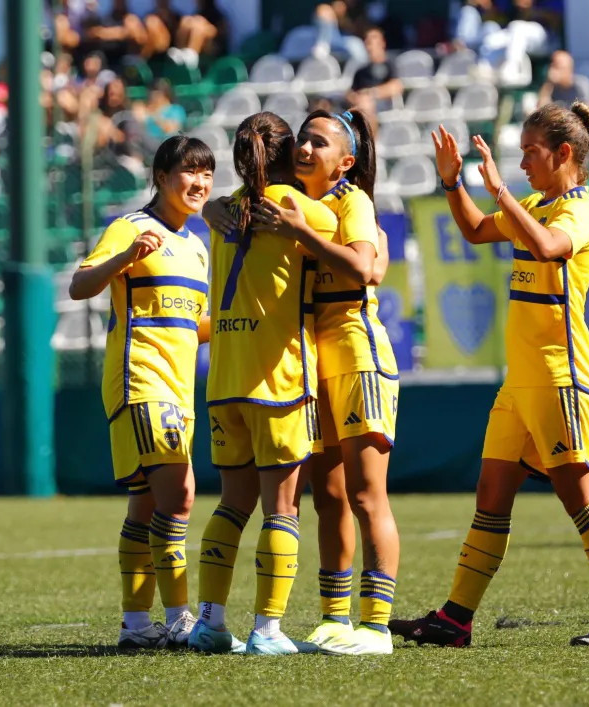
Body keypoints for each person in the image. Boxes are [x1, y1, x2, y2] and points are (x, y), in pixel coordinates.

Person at [390, 101, 589, 648]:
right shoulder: (536, 201)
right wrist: (451, 182)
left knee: (578, 495)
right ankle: (455, 618)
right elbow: (474, 230)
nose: (523, 164)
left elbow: (548, 245)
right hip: (522, 383)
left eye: (531, 153)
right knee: (491, 492)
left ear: (564, 154)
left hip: (561, 377)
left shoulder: (578, 212)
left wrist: (500, 190)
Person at [204, 108, 399, 655]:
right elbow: (225, 203)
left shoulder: (348, 202)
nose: (307, 148)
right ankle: (336, 617)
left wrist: (295, 229)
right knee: (329, 496)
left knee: (365, 495)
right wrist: (220, 206)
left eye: (320, 141)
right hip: (312, 356)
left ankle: (377, 626)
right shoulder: (286, 200)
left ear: (346, 161)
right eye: (303, 139)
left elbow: (367, 269)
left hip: (357, 350)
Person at [187, 112, 338, 656]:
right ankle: (267, 630)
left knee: (231, 505)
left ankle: (209, 623)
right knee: (282, 510)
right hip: (277, 378)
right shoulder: (295, 206)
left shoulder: (222, 209)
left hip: (224, 380)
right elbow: (356, 243)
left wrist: (207, 204)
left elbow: (211, 208)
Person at [68, 136, 215, 650]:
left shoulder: (197, 245)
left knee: (146, 504)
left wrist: (242, 323)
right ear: (160, 175)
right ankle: (179, 619)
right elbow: (80, 285)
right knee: (180, 497)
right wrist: (125, 258)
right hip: (140, 380)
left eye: (207, 174)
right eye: (189, 172)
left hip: (180, 390)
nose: (199, 183)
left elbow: (192, 325)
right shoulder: (131, 227)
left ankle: (136, 626)